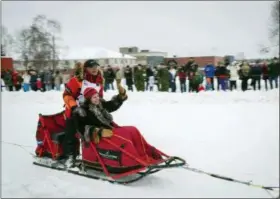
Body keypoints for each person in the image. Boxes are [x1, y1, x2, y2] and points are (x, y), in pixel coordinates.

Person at [63, 82, 128, 168]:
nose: (97, 99)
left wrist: (120, 96)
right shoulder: (83, 111)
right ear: (89, 99)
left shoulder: (100, 105)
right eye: (94, 97)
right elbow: (81, 128)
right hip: (98, 136)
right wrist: (96, 131)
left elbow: (111, 105)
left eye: (97, 96)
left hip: (108, 130)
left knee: (129, 131)